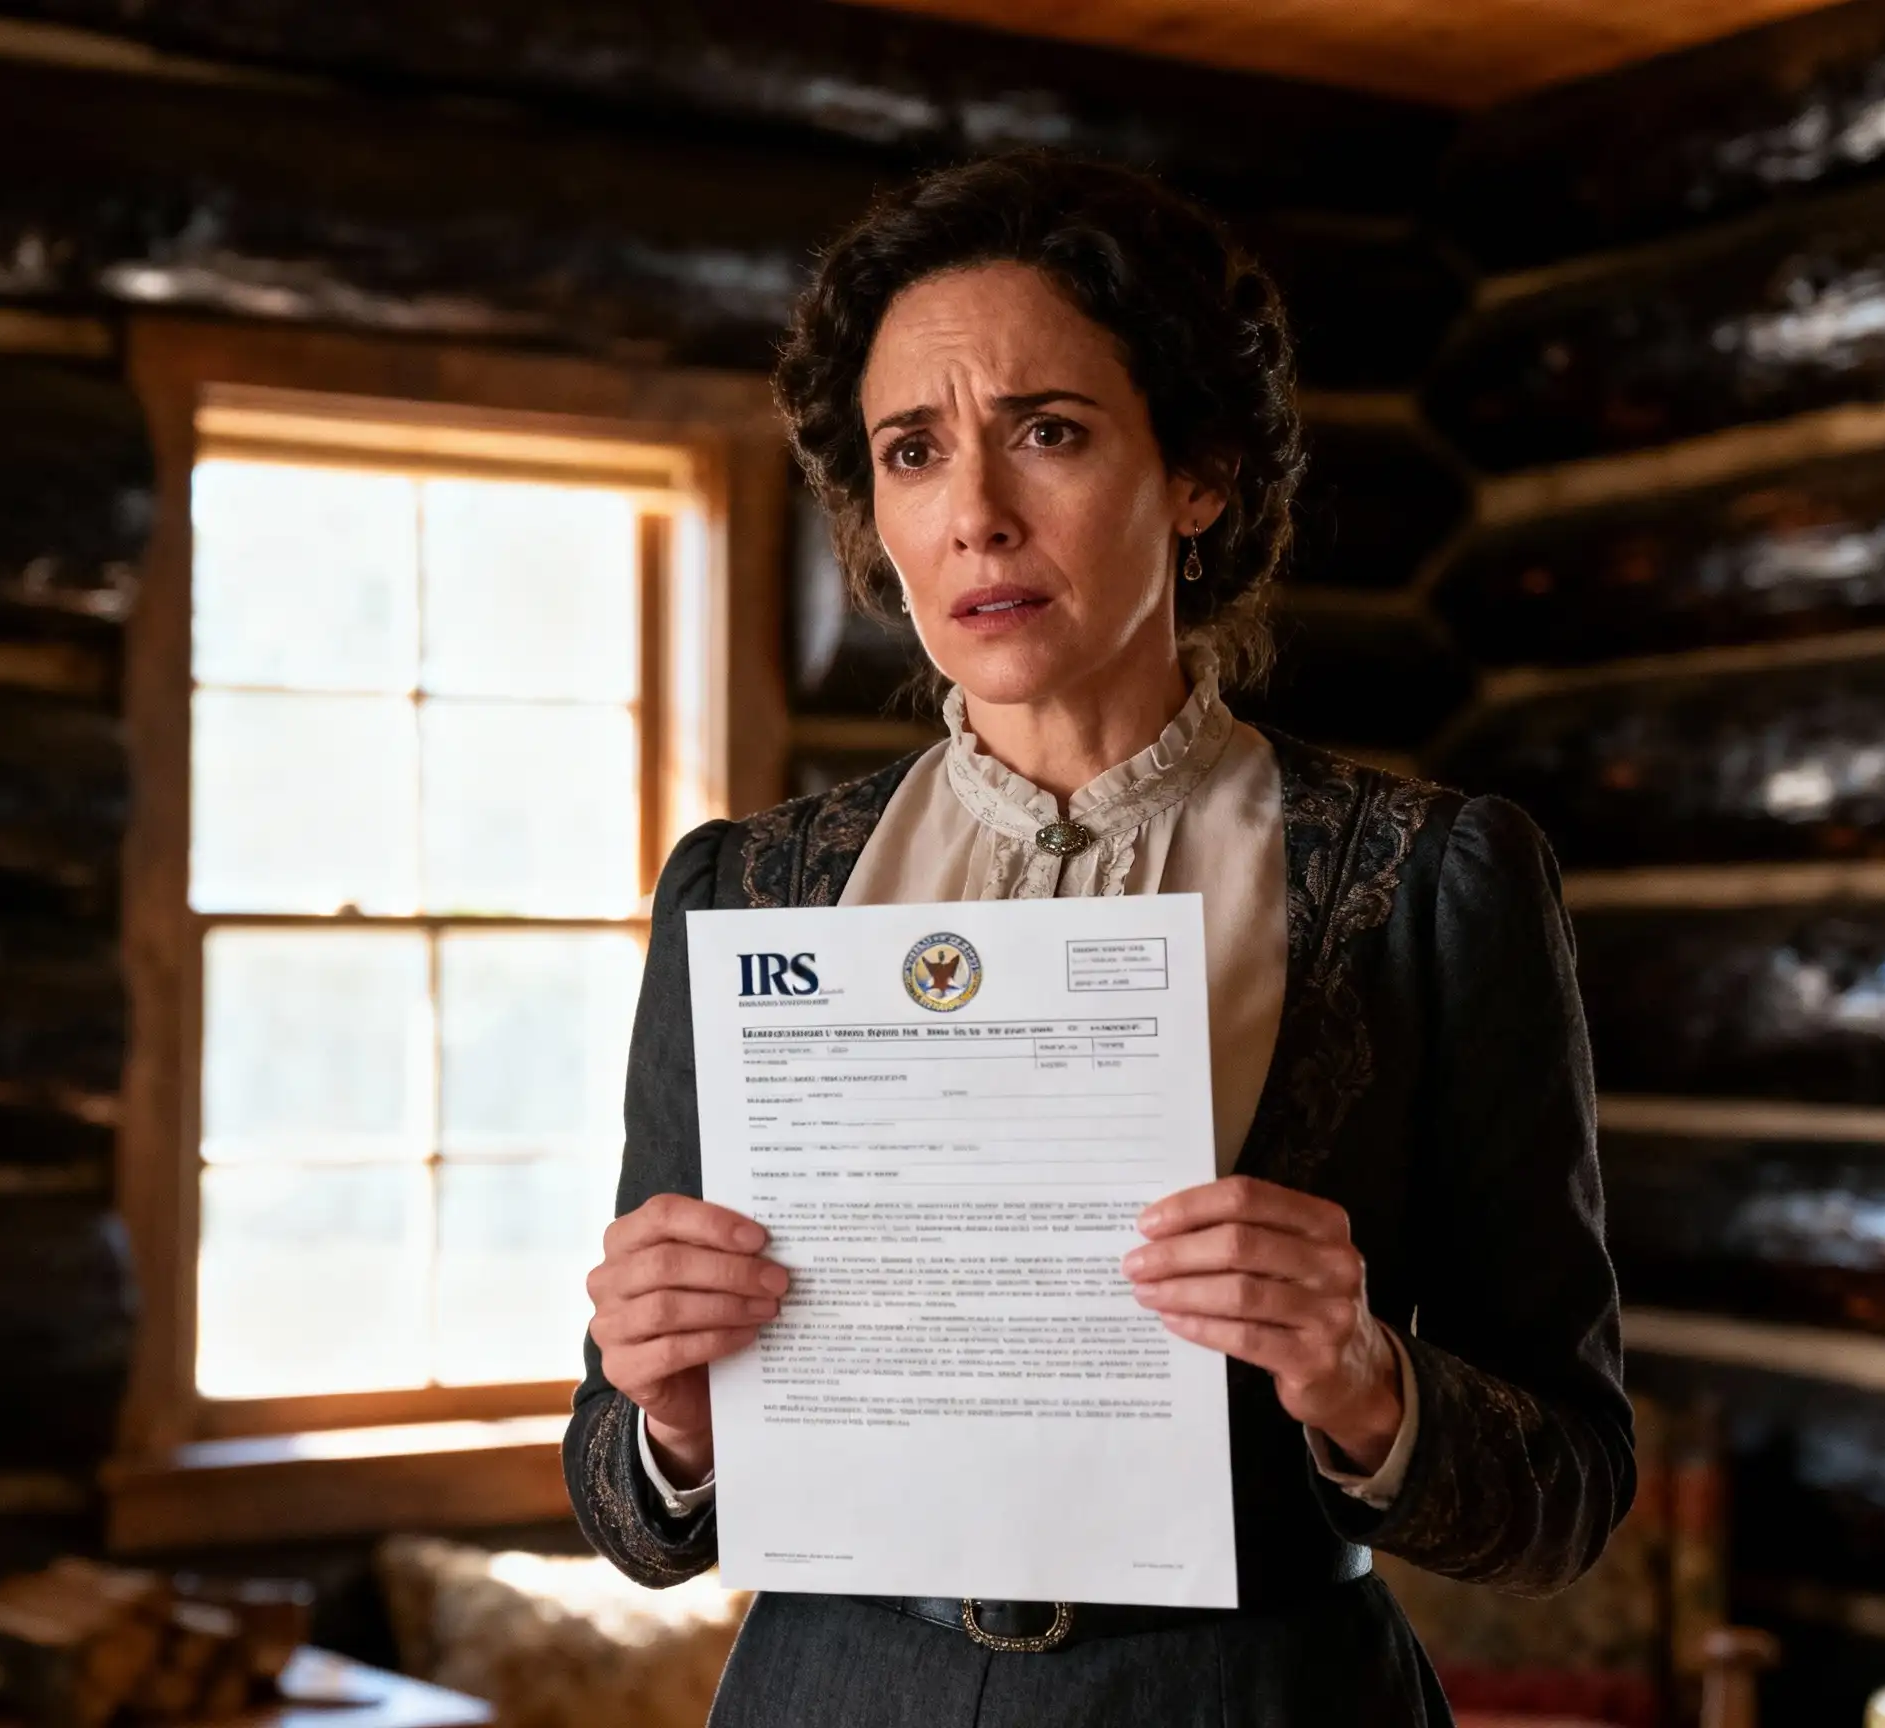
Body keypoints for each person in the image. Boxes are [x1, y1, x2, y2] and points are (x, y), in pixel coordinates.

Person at [563, 152, 1633, 1726]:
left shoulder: (1431, 883)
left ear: (1197, 473)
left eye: (1045, 433)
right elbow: (625, 1503)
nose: (977, 515)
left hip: (1259, 1697)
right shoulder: (747, 892)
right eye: (912, 452)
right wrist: (665, 1417)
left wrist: (1361, 1379)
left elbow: (1573, 1491)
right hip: (835, 1691)